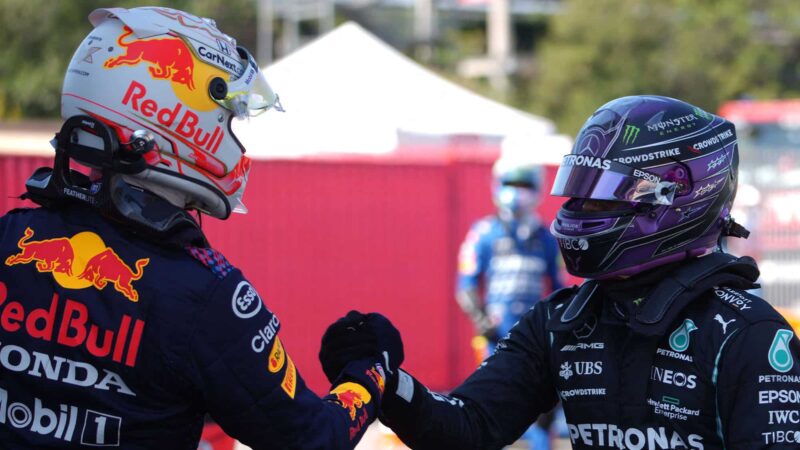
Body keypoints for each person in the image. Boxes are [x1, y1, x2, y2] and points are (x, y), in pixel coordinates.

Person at [0, 6, 401, 449]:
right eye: (228, 116)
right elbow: (312, 439)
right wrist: (367, 373)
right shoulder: (204, 295)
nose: (233, 135)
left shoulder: (9, 236)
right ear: (175, 115)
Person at [320, 95, 800, 449]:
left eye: (600, 194)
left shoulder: (748, 335)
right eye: (577, 192)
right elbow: (467, 427)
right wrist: (388, 382)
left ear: (674, 198)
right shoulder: (561, 322)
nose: (577, 210)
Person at [456, 156, 563, 449]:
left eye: (524, 185)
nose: (517, 191)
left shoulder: (546, 237)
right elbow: (465, 286)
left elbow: (558, 287)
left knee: (544, 412)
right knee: (491, 406)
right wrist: (482, 322)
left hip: (536, 336)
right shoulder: (483, 233)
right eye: (511, 183)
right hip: (495, 336)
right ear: (497, 185)